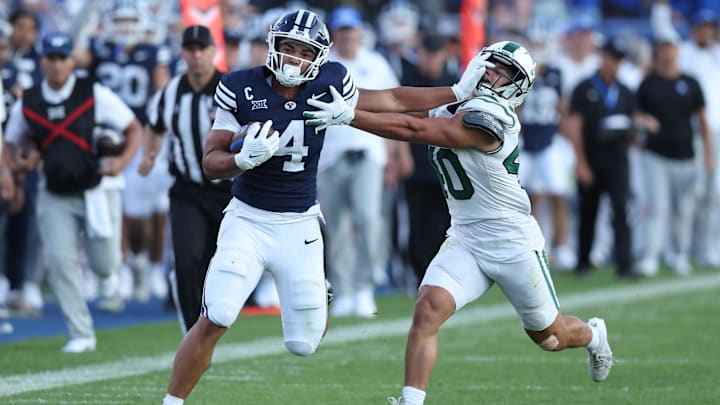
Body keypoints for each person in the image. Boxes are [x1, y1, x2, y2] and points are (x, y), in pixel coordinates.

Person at [161, 9, 489, 404]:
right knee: (218, 313)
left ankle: (322, 292)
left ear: (318, 56)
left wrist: (456, 92)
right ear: (272, 46)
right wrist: (241, 160)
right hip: (248, 218)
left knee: (304, 343)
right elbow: (211, 162)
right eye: (287, 48)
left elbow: (393, 98)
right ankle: (172, 401)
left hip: (299, 223)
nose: (293, 58)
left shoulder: (329, 81)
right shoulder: (239, 86)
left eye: (303, 51)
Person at [304, 40, 615, 405]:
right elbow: (397, 100)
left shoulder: (495, 116)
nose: (493, 75)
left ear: (518, 86)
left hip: (512, 240)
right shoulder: (459, 97)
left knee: (551, 337)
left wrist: (348, 116)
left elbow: (416, 130)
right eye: (493, 65)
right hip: (466, 236)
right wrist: (344, 96)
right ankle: (411, 400)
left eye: (505, 73)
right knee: (427, 309)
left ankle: (593, 336)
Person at [4, 32, 141, 352]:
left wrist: (121, 161)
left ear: (71, 61)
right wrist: (17, 166)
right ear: (42, 61)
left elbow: (132, 127)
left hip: (96, 186)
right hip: (55, 192)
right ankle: (81, 332)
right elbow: (11, 142)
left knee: (104, 264)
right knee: (59, 261)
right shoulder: (30, 100)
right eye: (50, 58)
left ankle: (109, 280)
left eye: (62, 58)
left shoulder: (92, 92)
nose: (56, 65)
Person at [76, 0, 172, 303]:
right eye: (120, 20)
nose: (125, 27)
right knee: (101, 208)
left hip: (138, 138)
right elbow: (74, 58)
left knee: (137, 212)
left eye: (132, 20)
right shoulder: (97, 48)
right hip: (102, 139)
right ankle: (111, 271)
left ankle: (139, 264)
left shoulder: (154, 52)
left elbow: (163, 92)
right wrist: (84, 22)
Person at [139, 25, 229, 334]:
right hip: (187, 190)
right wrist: (149, 155)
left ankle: (217, 317)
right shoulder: (171, 92)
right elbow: (153, 125)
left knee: (223, 261)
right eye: (190, 49)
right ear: (182, 53)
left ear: (213, 52)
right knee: (188, 258)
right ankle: (193, 333)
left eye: (201, 49)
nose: (196, 55)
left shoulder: (229, 89)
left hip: (229, 192)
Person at [318, 6, 400, 317]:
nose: (348, 36)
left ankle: (365, 285)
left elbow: (393, 109)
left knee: (368, 219)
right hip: (330, 155)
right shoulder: (325, 64)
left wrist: (394, 155)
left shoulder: (375, 63)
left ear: (360, 33)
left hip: (368, 153)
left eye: (352, 30)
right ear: (334, 34)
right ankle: (344, 289)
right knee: (336, 226)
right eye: (342, 31)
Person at [566, 36, 648, 279]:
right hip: (591, 157)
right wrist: (580, 162)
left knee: (621, 209)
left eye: (619, 59)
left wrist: (638, 128)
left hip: (618, 159)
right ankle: (583, 262)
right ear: (602, 57)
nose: (615, 63)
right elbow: (575, 126)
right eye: (612, 58)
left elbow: (633, 123)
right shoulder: (583, 88)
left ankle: (624, 264)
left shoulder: (625, 90)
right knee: (588, 211)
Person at [635, 31, 712, 276]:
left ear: (678, 51)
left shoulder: (690, 82)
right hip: (656, 155)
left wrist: (708, 152)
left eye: (671, 47)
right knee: (656, 207)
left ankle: (679, 254)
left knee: (684, 210)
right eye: (663, 47)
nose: (667, 52)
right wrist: (642, 123)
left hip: (686, 156)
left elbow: (701, 119)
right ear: (658, 51)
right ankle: (651, 255)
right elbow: (635, 113)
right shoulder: (648, 83)